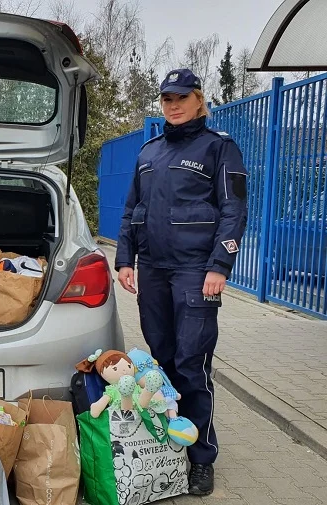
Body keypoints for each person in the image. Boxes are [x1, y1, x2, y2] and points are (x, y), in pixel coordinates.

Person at [115, 68, 248, 496]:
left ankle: (201, 457)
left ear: (198, 99)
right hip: (152, 269)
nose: (172, 106)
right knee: (162, 364)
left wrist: (219, 265)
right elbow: (131, 210)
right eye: (166, 99)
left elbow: (233, 211)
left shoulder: (219, 148)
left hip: (195, 272)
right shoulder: (148, 152)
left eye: (180, 98)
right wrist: (124, 260)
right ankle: (170, 449)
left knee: (192, 364)